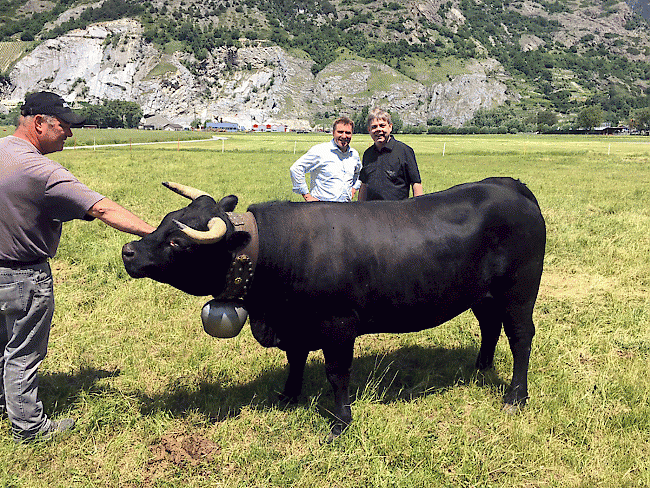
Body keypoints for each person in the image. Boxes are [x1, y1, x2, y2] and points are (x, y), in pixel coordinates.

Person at [0, 91, 156, 443]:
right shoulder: (40, 169)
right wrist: (158, 234)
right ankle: (28, 428)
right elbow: (103, 209)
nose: (69, 135)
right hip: (24, 274)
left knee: (2, 345)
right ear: (39, 123)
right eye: (64, 127)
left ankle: (4, 403)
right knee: (24, 352)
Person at [290, 117, 361, 202]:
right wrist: (307, 196)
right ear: (333, 133)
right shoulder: (320, 151)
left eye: (348, 133)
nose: (344, 136)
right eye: (340, 132)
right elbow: (296, 168)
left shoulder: (354, 155)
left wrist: (353, 189)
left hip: (345, 208)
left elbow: (359, 173)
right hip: (321, 209)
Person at [358, 109, 424, 201]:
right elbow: (364, 185)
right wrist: (360, 208)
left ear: (390, 127)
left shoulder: (404, 151)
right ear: (369, 130)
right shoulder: (367, 154)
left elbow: (416, 183)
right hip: (371, 212)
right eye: (374, 127)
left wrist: (418, 209)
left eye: (382, 125)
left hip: (398, 211)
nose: (378, 130)